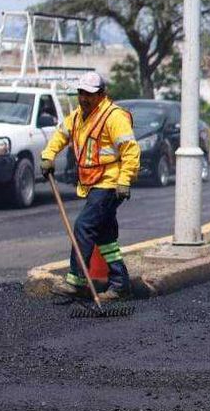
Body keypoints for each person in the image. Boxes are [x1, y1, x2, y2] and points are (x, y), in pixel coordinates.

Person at [40, 72, 140, 300]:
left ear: (101, 94)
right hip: (92, 183)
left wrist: (124, 180)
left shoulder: (113, 117)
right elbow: (60, 135)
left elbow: (130, 150)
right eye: (81, 93)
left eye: (90, 94)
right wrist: (48, 156)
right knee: (105, 236)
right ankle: (120, 285)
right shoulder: (77, 117)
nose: (84, 98)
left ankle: (76, 280)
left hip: (110, 183)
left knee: (84, 227)